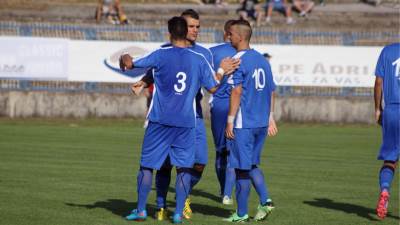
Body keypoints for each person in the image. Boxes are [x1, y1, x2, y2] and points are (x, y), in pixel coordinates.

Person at [131, 10, 240, 221]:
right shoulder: (167, 51)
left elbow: (207, 82)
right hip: (179, 117)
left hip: (194, 115)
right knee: (166, 164)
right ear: (182, 28)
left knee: (199, 162)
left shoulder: (204, 53)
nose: (196, 30)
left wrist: (221, 69)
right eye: (191, 26)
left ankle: (182, 198)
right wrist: (144, 82)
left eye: (198, 26)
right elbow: (157, 71)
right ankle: (163, 205)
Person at [223, 19, 278, 222]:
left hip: (243, 124)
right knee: (252, 164)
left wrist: (230, 121)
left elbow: (236, 91)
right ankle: (265, 201)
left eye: (230, 34)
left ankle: (241, 213)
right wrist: (270, 117)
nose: (229, 37)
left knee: (241, 168)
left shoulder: (238, 59)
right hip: (261, 124)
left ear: (240, 36)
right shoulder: (262, 60)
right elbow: (272, 90)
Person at [209, 19, 238, 205]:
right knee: (234, 152)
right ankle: (228, 193)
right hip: (240, 107)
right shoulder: (248, 54)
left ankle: (223, 191)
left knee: (221, 152)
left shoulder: (212, 52)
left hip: (219, 105)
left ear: (226, 32)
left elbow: (206, 79)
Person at [373, 42, 400, 220]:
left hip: (391, 111)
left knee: (391, 158)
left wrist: (377, 109)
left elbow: (378, 82)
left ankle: (384, 189)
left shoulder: (388, 51)